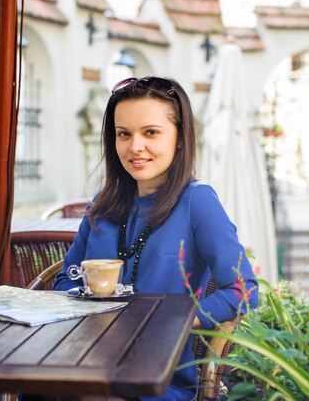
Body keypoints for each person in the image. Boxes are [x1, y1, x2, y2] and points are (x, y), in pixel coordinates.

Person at [53, 76, 259, 401]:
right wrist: (89, 302)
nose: (135, 146)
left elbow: (244, 291)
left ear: (179, 138)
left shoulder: (197, 202)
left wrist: (179, 322)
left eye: (151, 132)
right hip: (87, 360)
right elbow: (65, 279)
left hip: (159, 379)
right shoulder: (102, 205)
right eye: (124, 134)